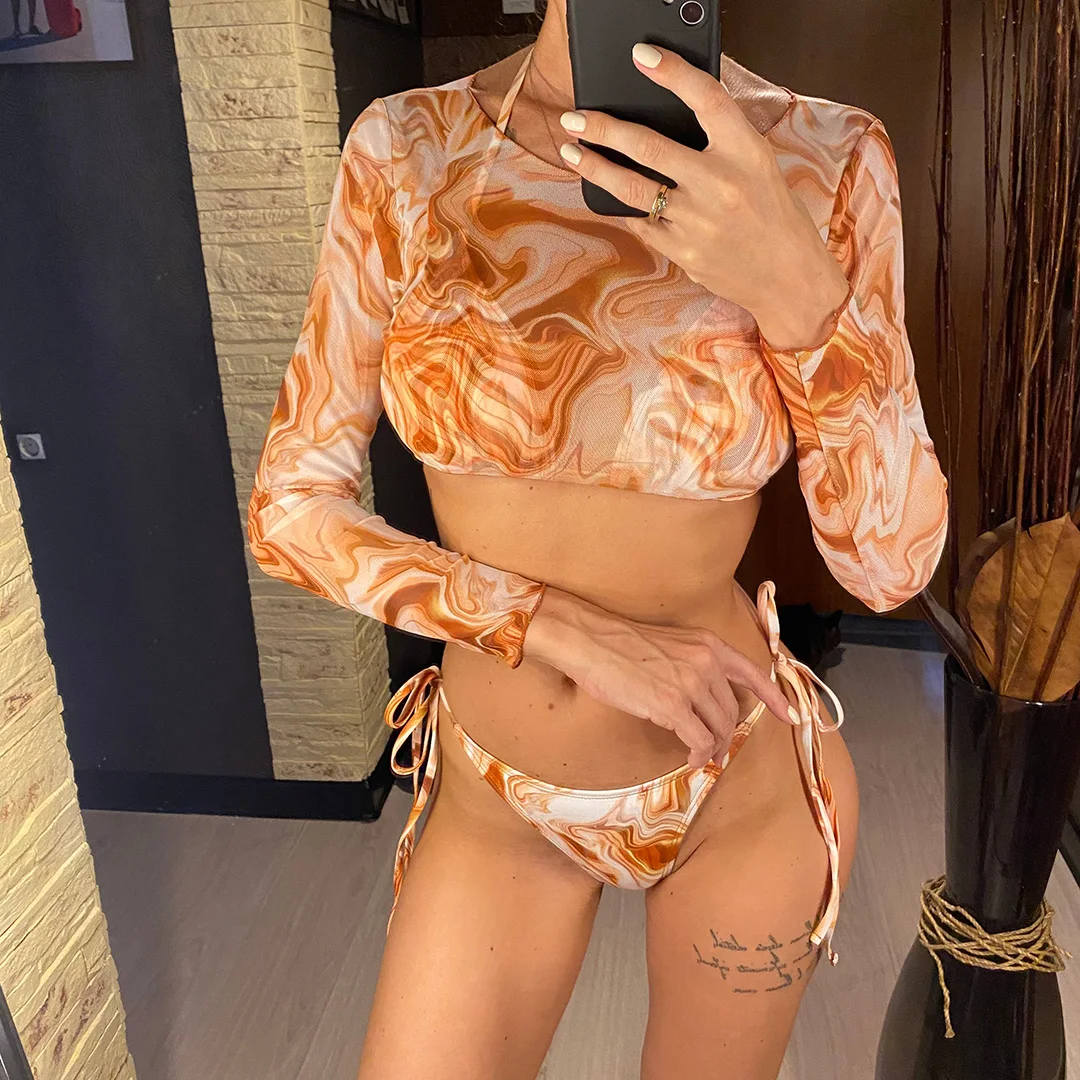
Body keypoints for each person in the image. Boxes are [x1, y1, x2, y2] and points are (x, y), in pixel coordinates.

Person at [247, 0, 949, 1075]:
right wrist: (560, 629)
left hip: (739, 786)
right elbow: (291, 507)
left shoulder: (828, 154)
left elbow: (890, 565)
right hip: (494, 794)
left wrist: (802, 292)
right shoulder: (407, 148)